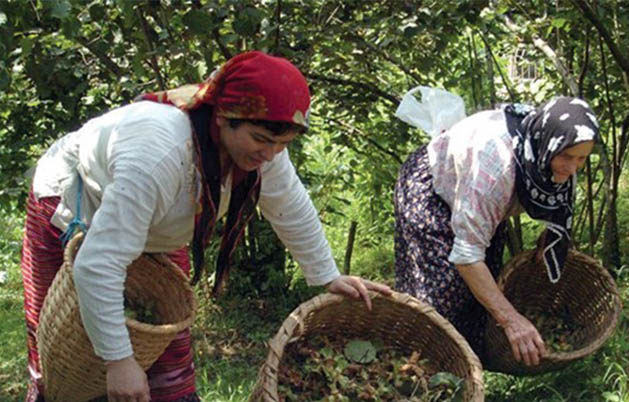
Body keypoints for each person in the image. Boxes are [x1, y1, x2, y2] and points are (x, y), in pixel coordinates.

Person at [20, 51, 391, 402]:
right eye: (261, 140)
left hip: (153, 227)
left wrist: (327, 275)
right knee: (67, 354)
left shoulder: (265, 150)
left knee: (168, 355)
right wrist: (118, 361)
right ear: (222, 116)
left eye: (282, 144)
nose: (270, 154)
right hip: (74, 206)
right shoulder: (160, 156)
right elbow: (97, 264)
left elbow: (289, 205)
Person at [393, 87, 599, 367]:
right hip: (432, 192)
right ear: (549, 146)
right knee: (441, 297)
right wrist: (512, 320)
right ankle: (424, 370)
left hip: (474, 197)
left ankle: (469, 366)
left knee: (482, 292)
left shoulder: (550, 147)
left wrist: (551, 238)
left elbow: (558, 204)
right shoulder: (495, 170)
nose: (573, 168)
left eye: (582, 158)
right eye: (567, 157)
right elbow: (467, 257)